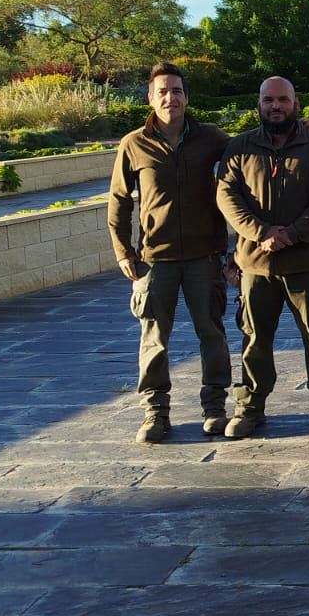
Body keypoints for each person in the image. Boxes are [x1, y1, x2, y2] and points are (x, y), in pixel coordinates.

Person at [215, 75, 309, 438]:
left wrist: (292, 233)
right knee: (254, 340)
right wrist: (260, 232)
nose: (276, 106)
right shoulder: (240, 147)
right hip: (255, 265)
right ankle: (250, 407)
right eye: (269, 100)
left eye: (282, 100)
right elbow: (226, 194)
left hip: (306, 263)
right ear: (258, 106)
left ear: (295, 103)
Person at [107, 62, 232, 444]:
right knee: (154, 339)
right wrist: (123, 251)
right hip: (154, 259)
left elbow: (250, 153)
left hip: (204, 256)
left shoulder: (210, 137)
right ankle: (155, 413)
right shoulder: (133, 144)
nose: (170, 98)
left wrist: (301, 130)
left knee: (211, 333)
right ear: (150, 98)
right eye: (162, 91)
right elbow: (119, 200)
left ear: (186, 97)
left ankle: (215, 408)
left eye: (176, 91)